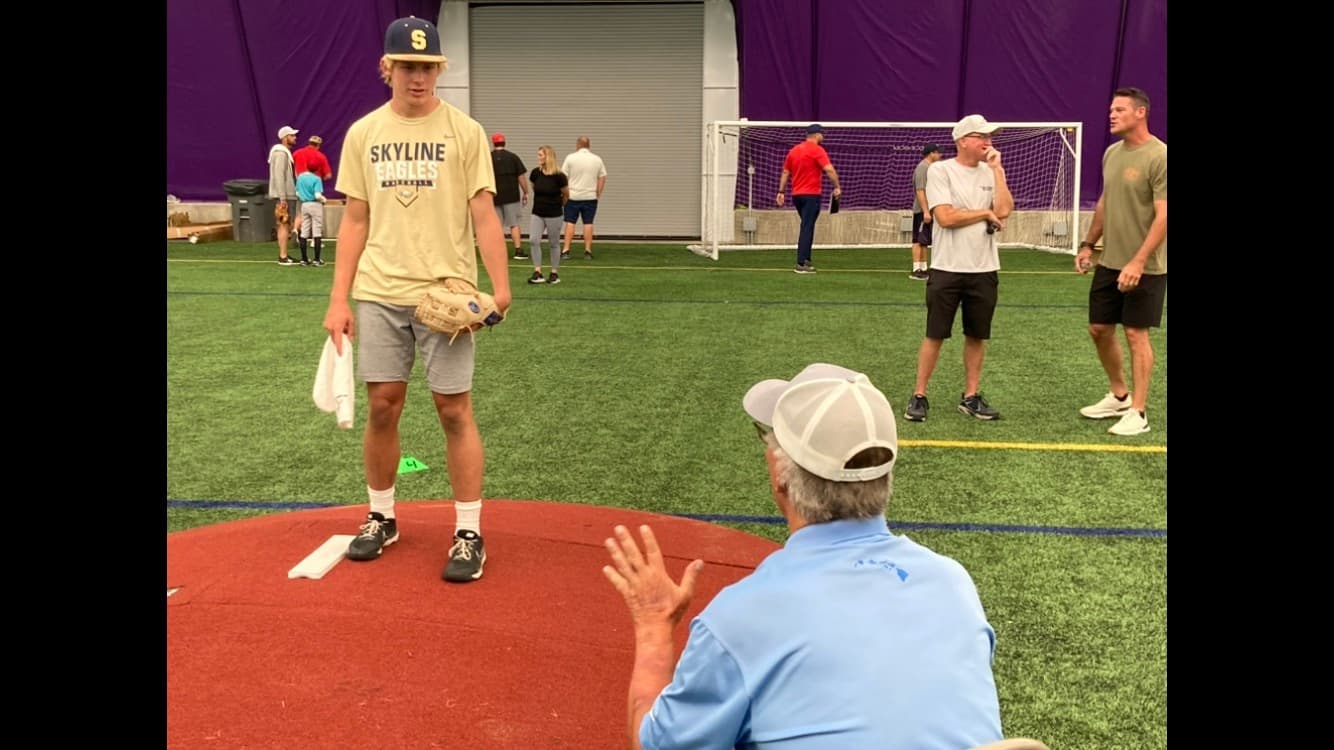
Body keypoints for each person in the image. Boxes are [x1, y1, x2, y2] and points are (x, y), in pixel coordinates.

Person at [601, 363, 1003, 750]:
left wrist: (654, 626)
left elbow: (655, 744)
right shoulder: (952, 584)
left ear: (780, 472)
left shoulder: (741, 620)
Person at [322, 15, 512, 583]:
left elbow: (483, 213)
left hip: (446, 297)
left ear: (439, 71)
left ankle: (469, 531)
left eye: (429, 67)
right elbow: (354, 220)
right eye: (408, 65)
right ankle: (382, 517)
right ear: (388, 68)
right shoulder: (364, 133)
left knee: (454, 409)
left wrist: (500, 288)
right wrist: (339, 299)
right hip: (380, 292)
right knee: (383, 405)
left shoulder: (465, 131)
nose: (419, 77)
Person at [904, 114, 1013, 423]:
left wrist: (998, 170)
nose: (988, 141)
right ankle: (920, 394)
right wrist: (984, 213)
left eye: (989, 136)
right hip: (947, 268)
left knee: (977, 335)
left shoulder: (991, 171)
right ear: (963, 141)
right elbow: (946, 218)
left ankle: (971, 396)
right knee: (935, 333)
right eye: (981, 136)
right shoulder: (941, 170)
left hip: (984, 268)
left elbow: (1004, 210)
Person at [1075, 87, 1167, 436]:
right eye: (1111, 109)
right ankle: (1119, 395)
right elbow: (1104, 203)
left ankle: (1139, 413)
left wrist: (1139, 261)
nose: (1111, 114)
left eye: (1120, 109)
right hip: (1110, 261)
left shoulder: (1160, 156)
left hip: (1147, 265)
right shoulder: (1112, 153)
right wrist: (1088, 244)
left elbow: (1163, 217)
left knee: (1135, 333)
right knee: (1099, 329)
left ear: (1140, 112)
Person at [776, 124, 842, 274]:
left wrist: (781, 191)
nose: (823, 137)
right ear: (817, 135)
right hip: (811, 195)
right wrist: (837, 186)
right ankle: (801, 262)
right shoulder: (817, 150)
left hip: (796, 195)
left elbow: (786, 172)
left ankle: (806, 258)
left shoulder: (794, 150)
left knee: (807, 225)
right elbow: (829, 169)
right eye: (822, 134)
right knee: (807, 226)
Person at [526, 145, 569, 285]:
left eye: (540, 155)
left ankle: (554, 273)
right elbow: (534, 188)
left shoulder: (560, 176)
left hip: (554, 214)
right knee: (533, 240)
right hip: (537, 212)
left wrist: (558, 205)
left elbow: (566, 194)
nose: (538, 158)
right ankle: (537, 272)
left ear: (548, 157)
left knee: (554, 243)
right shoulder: (535, 173)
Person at [560, 136, 606, 260]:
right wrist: (598, 192)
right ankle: (587, 250)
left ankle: (566, 250)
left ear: (578, 145)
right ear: (589, 145)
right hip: (590, 196)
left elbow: (562, 177)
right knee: (588, 223)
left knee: (570, 222)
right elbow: (602, 177)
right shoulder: (597, 159)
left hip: (573, 196)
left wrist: (564, 194)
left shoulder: (570, 158)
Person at [490, 133, 530, 260]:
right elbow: (521, 177)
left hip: (494, 196)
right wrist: (526, 192)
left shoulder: (487, 158)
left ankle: (497, 252)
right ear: (504, 143)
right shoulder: (513, 157)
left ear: (493, 143)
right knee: (514, 224)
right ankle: (518, 250)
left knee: (496, 226)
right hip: (512, 196)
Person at [909, 143, 944, 280]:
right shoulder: (923, 168)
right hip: (922, 209)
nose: (940, 155)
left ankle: (923, 268)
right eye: (938, 153)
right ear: (931, 154)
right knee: (918, 239)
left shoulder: (930, 168)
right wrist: (925, 211)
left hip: (927, 209)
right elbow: (920, 190)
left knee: (924, 239)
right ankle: (916, 268)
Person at [268, 125, 301, 265]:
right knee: (283, 224)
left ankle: (285, 254)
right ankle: (282, 256)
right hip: (285, 195)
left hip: (287, 194)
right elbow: (279, 175)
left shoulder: (285, 153)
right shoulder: (281, 153)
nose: (295, 138)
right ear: (285, 137)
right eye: (292, 135)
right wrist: (282, 197)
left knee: (286, 225)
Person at [295, 162, 328, 266]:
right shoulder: (317, 179)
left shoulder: (300, 178)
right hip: (315, 204)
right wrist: (324, 200)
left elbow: (297, 192)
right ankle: (317, 260)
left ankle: (304, 259)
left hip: (304, 204)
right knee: (317, 231)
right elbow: (317, 195)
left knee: (304, 231)